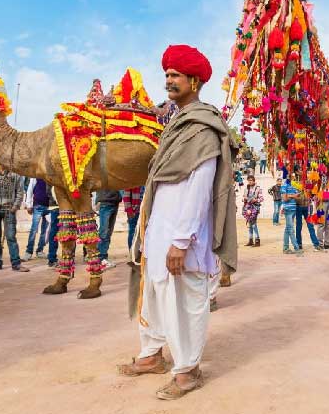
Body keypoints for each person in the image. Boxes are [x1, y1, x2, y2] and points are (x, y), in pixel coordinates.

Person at [120, 44, 238, 400]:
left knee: (184, 300)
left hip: (183, 234)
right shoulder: (176, 124)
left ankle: (188, 370)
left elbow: (200, 187)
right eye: (167, 74)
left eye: (176, 75)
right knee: (154, 294)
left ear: (195, 81)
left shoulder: (202, 127)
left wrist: (181, 240)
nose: (169, 80)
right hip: (159, 229)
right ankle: (151, 354)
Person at [0, 163, 29, 272]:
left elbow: (20, 192)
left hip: (9, 209)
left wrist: (15, 206)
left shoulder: (15, 174)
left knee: (11, 237)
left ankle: (16, 263)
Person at [23, 178, 59, 267]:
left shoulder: (51, 177)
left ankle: (40, 250)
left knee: (45, 231)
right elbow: (30, 189)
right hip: (38, 205)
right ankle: (29, 251)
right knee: (34, 230)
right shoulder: (36, 176)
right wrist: (28, 204)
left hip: (50, 206)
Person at [96, 189, 121, 269]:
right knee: (104, 232)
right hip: (105, 202)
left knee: (108, 232)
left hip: (114, 202)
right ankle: (100, 258)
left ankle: (104, 257)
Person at [280, 178, 302, 254]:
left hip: (293, 209)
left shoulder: (294, 185)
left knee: (287, 229)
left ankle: (285, 248)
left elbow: (298, 197)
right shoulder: (284, 186)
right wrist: (293, 196)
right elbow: (284, 198)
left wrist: (290, 195)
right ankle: (296, 248)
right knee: (291, 229)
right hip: (288, 209)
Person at [242, 175, 263, 246]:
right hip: (247, 207)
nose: (250, 181)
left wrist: (256, 200)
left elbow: (261, 199)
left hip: (254, 208)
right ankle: (250, 240)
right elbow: (243, 197)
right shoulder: (246, 188)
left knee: (253, 224)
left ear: (254, 181)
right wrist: (244, 199)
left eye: (251, 180)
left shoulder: (258, 188)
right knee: (250, 225)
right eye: (249, 180)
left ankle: (257, 240)